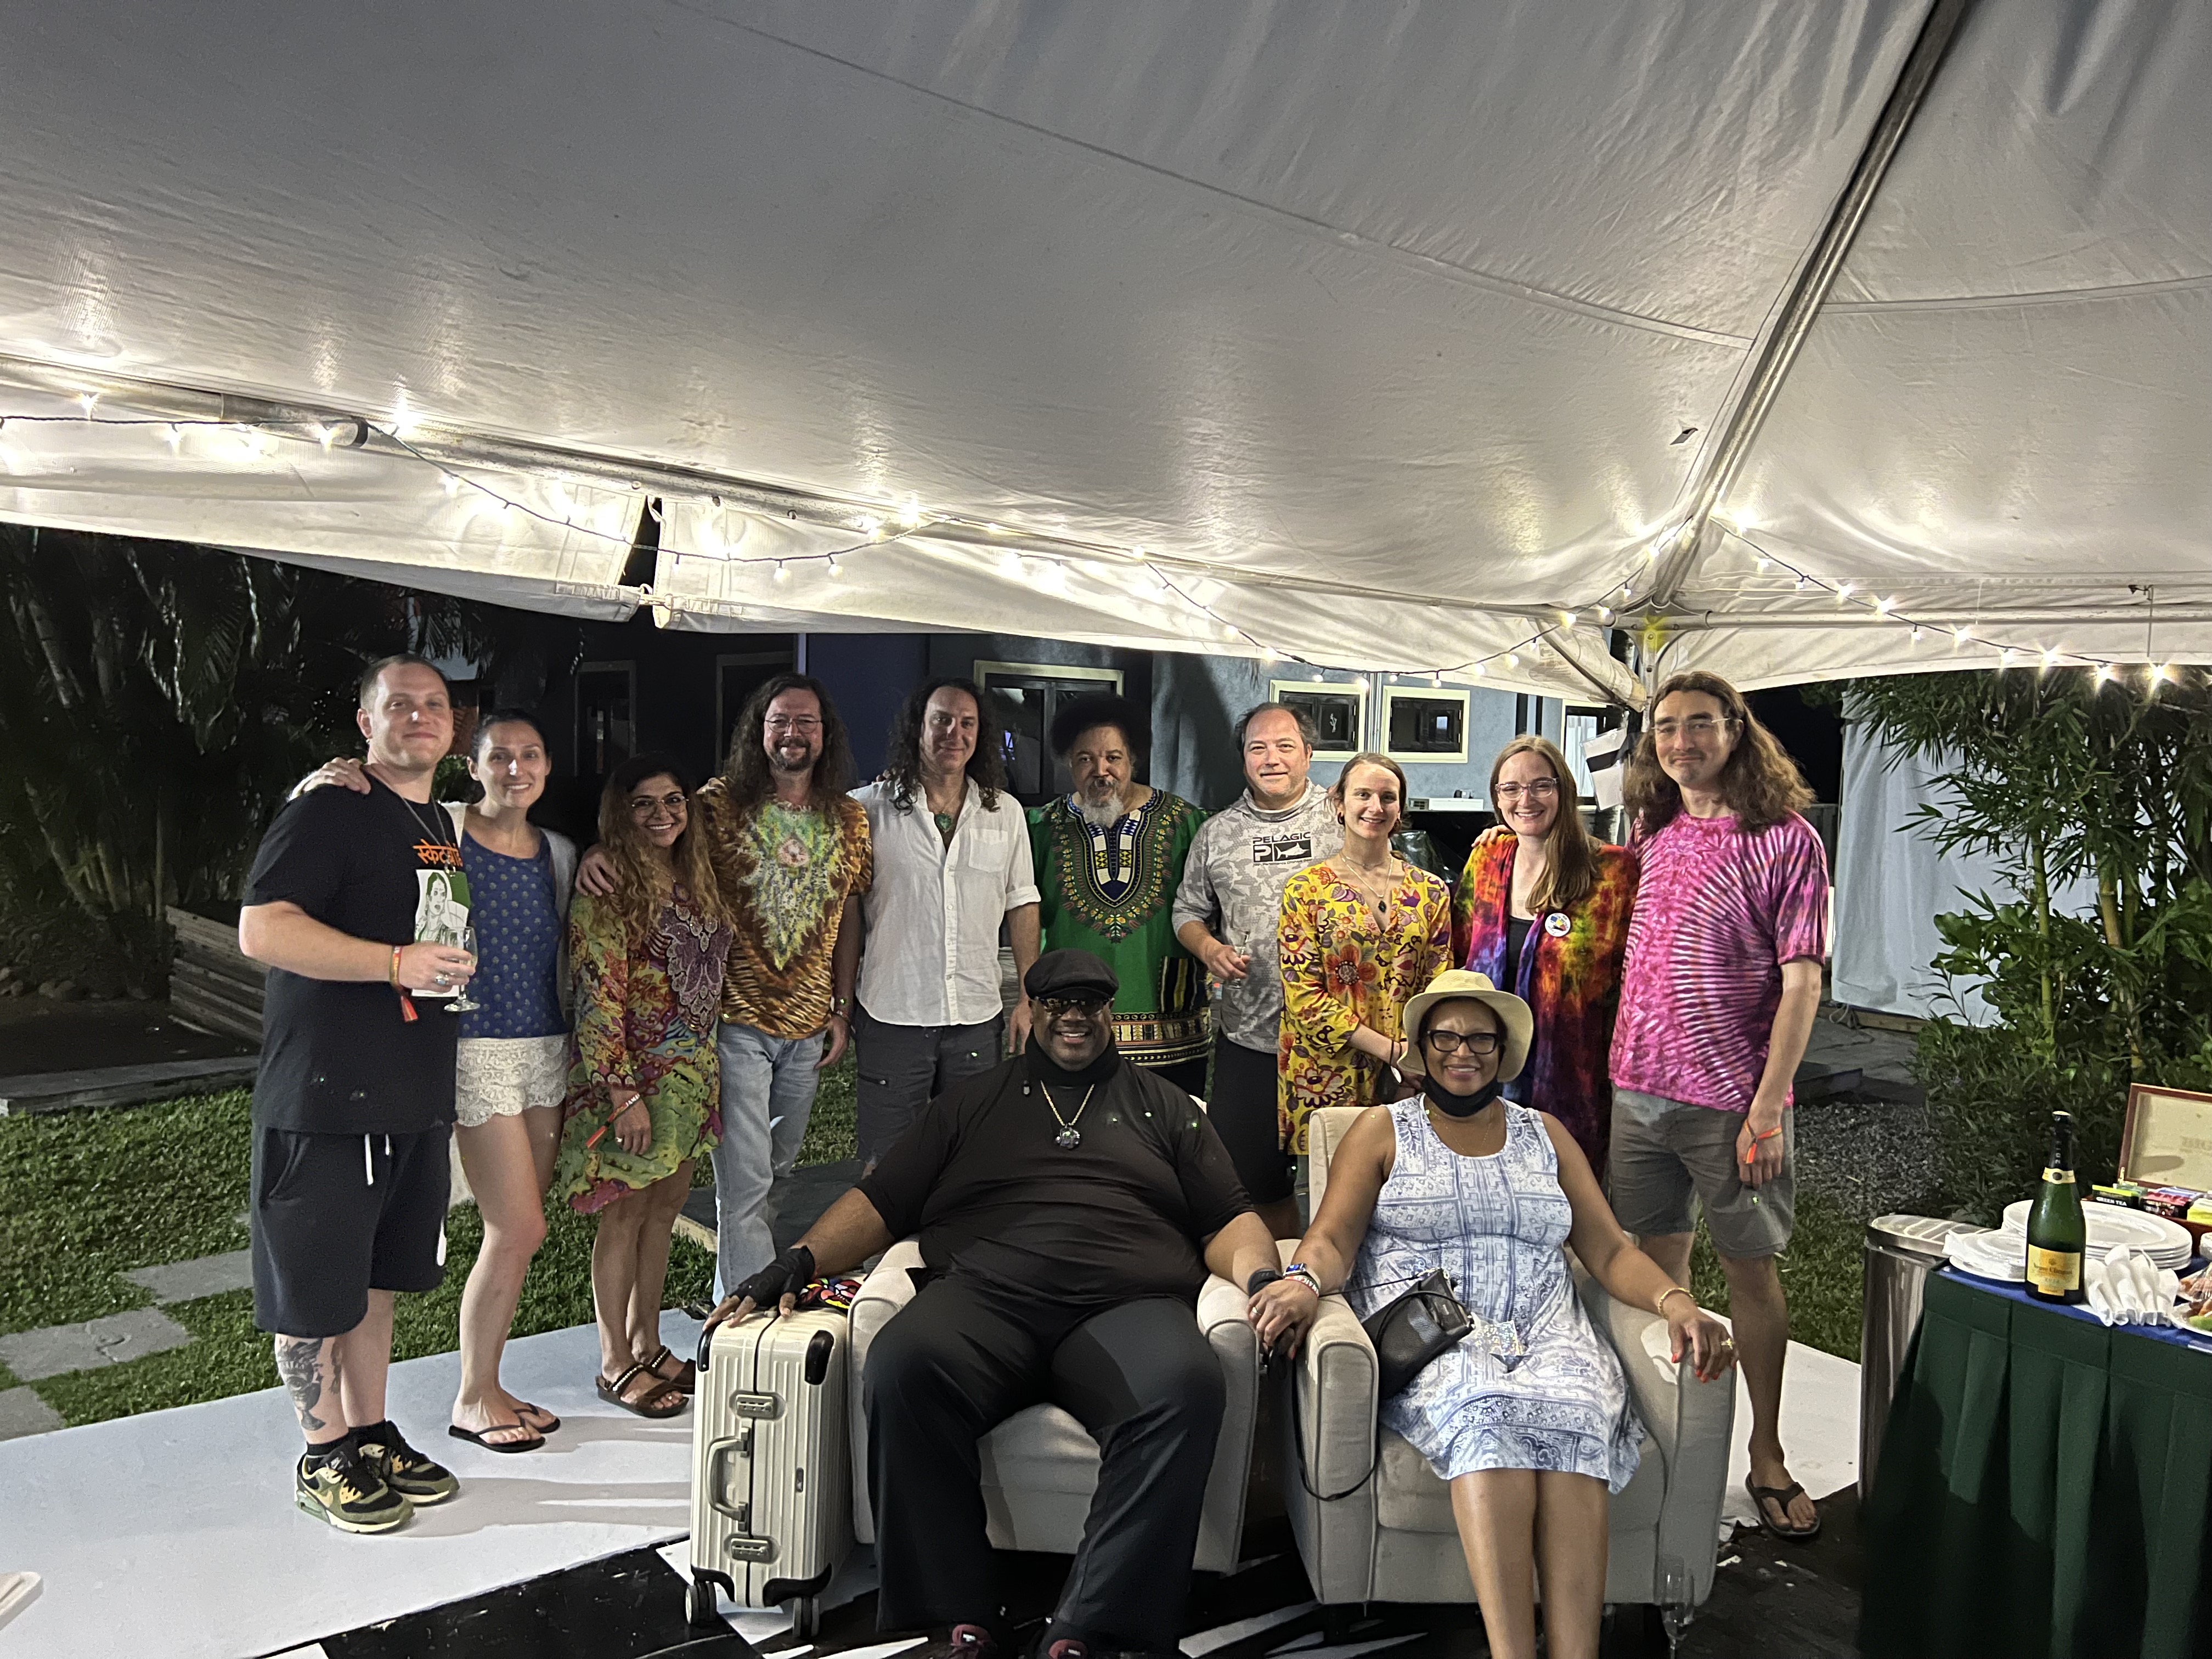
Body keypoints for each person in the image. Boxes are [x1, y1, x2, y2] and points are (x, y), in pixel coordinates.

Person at [708, 949, 1282, 1659]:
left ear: (1109, 1012)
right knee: (902, 1364)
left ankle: (1092, 1624)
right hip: (988, 1299)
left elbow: (1228, 1216)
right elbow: (883, 1200)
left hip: (1126, 1305)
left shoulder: (1164, 1107)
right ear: (1030, 1011)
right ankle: (958, 1612)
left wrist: (1263, 1278)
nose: (1074, 1017)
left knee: (1185, 1385)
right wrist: (795, 1262)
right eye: (1057, 1004)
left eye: (1089, 1004)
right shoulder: (971, 1103)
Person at [1250, 970, 1736, 1659]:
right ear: (1421, 1047)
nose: (1463, 1052)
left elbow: (1606, 1249)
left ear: (1503, 1050)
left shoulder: (1545, 1134)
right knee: (1486, 1415)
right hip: (1441, 1338)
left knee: (1576, 1417)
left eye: (1480, 1038)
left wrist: (1676, 1301)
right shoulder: (1383, 1131)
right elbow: (1331, 1239)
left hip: (1550, 1330)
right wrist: (1302, 1281)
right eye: (1445, 1037)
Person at [293, 713, 582, 1449]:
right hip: (474, 1049)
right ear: (472, 767)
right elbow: (357, 828)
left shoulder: (560, 852)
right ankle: (472, 1398)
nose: (516, 769)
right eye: (500, 757)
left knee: (518, 1235)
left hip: (546, 1049)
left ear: (548, 767)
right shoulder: (441, 829)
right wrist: (324, 780)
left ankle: (489, 1383)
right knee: (519, 1226)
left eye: (531, 755)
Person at [237, 653, 476, 1533]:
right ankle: (321, 1450)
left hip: (409, 1094)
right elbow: (262, 928)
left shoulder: (432, 819)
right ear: (366, 723)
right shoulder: (330, 805)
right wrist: (393, 964)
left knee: (377, 1283)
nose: (420, 716)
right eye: (398, 704)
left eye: (435, 704)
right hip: (328, 1100)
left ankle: (370, 1432)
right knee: (314, 1292)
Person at [1610, 669, 1829, 1542]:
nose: (1681, 742)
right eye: (1666, 728)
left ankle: (1766, 1453)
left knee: (1749, 1272)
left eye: (1699, 724)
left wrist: (1768, 1108)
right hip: (1638, 1092)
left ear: (1736, 730)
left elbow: (1803, 983)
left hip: (1733, 1102)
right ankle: (1665, 1443)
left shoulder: (1786, 838)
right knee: (1657, 1274)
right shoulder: (1653, 827)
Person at [578, 673, 872, 1305]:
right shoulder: (717, 804)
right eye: (779, 720)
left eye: (807, 721)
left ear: (825, 734)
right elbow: (655, 835)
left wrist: (842, 1006)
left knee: (775, 1173)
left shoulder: (850, 818)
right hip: (735, 1024)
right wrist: (600, 850)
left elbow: (851, 909)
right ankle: (749, 1314)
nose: (793, 733)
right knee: (745, 1183)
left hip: (809, 1028)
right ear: (758, 731)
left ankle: (726, 1295)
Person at [554, 754, 735, 1418]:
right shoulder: (608, 885)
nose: (663, 814)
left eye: (674, 800)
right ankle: (614, 1361)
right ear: (620, 812)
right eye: (645, 803)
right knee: (625, 1214)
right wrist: (620, 1093)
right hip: (633, 1082)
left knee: (663, 1212)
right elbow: (598, 995)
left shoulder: (697, 876)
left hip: (691, 1082)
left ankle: (649, 1343)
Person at [850, 678, 1041, 1170]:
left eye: (967, 723)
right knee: (887, 1165)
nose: (954, 733)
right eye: (942, 720)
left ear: (980, 735)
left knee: (973, 1157)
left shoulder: (1005, 813)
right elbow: (846, 911)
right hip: (893, 1014)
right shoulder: (866, 810)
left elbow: (1022, 903)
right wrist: (840, 999)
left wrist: (1028, 998)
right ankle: (886, 1229)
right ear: (918, 727)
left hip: (975, 1016)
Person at [1172, 700, 1338, 1235]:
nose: (1272, 759)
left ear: (1308, 754)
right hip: (1250, 1036)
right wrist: (1209, 949)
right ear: (1243, 758)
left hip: (1338, 1040)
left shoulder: (1342, 815)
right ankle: (1278, 1273)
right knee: (1252, 1183)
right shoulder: (1217, 833)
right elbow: (1186, 911)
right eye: (1258, 748)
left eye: (1285, 746)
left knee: (1347, 1181)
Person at [1450, 735, 1637, 1176]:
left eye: (1541, 785)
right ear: (1498, 798)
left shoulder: (1613, 872)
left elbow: (1631, 983)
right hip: (1483, 1073)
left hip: (1572, 1082)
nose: (1526, 800)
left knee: (1569, 1198)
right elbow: (1457, 959)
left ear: (1564, 790)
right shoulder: (1488, 858)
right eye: (1511, 789)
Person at [1027, 692, 1210, 1097]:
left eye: (1113, 757)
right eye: (1085, 759)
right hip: (1072, 1024)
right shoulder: (1040, 827)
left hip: (1170, 1027)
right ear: (1068, 763)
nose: (1101, 771)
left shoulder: (1186, 822)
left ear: (1133, 760)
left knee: (1170, 1127)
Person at [1277, 752, 1452, 1160]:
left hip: (1411, 1076)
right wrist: (1392, 1052)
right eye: (1363, 795)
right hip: (1325, 1072)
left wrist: (1416, 1057)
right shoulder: (1305, 890)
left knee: (1409, 1182)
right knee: (1329, 1187)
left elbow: (1439, 985)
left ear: (1400, 809)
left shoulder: (1430, 891)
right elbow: (1303, 999)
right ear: (1339, 803)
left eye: (1388, 797)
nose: (1376, 807)